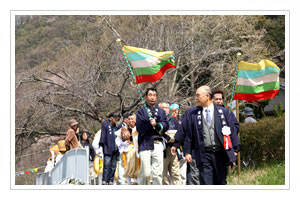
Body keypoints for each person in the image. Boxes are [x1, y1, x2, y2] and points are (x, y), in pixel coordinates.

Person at [181, 85, 240, 185]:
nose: (196, 98)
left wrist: (235, 149)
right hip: (204, 154)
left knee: (221, 182)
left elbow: (232, 131)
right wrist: (187, 152)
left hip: (220, 153)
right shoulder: (194, 114)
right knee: (206, 182)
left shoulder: (224, 112)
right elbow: (189, 133)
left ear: (207, 96)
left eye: (198, 95)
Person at [136, 88, 169, 185]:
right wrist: (149, 124)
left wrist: (157, 125)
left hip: (158, 143)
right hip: (145, 143)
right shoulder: (141, 112)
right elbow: (139, 128)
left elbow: (166, 125)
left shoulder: (161, 112)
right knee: (145, 173)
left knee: (157, 173)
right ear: (145, 97)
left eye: (154, 95)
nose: (152, 97)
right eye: (150, 95)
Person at [212, 90, 242, 156]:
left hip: (226, 144)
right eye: (216, 99)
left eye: (220, 99)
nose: (218, 101)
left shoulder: (228, 112)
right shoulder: (209, 112)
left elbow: (236, 126)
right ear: (212, 100)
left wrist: (229, 131)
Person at [159, 102, 181, 185]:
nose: (165, 110)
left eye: (166, 108)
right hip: (162, 150)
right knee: (163, 174)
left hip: (173, 149)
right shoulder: (157, 120)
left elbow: (180, 133)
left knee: (175, 172)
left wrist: (176, 145)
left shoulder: (173, 121)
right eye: (163, 108)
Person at [99, 112, 120, 185]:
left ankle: (111, 179)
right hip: (107, 148)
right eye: (115, 118)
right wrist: (101, 147)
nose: (116, 119)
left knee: (113, 166)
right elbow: (103, 136)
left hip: (115, 149)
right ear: (111, 118)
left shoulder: (116, 127)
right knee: (107, 165)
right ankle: (105, 179)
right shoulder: (106, 125)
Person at [114, 112, 132, 185]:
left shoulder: (130, 127)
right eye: (129, 119)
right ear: (125, 119)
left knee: (128, 164)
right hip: (123, 149)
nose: (130, 120)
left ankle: (128, 181)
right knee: (122, 164)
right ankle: (121, 180)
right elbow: (117, 139)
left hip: (129, 149)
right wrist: (123, 143)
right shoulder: (121, 127)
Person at [123, 113, 140, 185]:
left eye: (132, 119)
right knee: (129, 167)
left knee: (139, 167)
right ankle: (129, 183)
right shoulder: (125, 129)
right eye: (129, 119)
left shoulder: (139, 128)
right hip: (129, 150)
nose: (130, 121)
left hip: (138, 150)